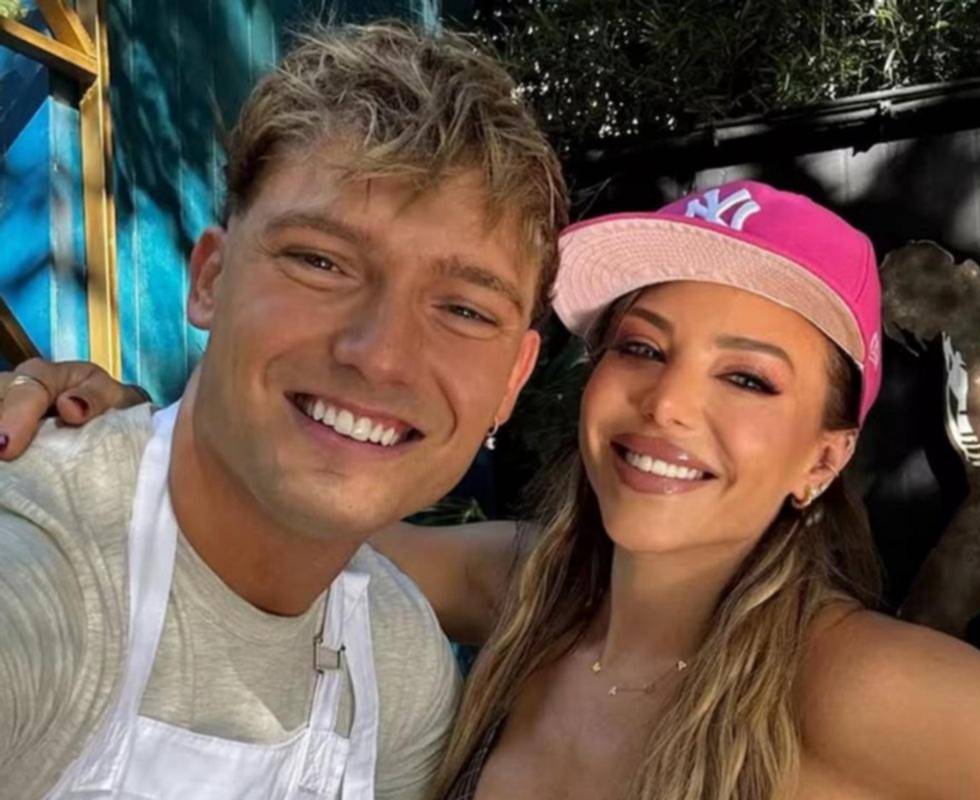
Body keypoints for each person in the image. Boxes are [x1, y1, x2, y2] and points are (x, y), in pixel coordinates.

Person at [13, 181, 980, 799]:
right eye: (642, 347)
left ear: (823, 458)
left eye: (748, 379)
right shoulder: (521, 589)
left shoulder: (861, 685)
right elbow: (261, 517)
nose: (668, 403)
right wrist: (118, 429)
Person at [0, 20, 567, 799]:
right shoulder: (40, 576)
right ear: (210, 279)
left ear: (513, 379)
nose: (382, 355)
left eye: (465, 310)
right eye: (320, 262)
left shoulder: (398, 666)